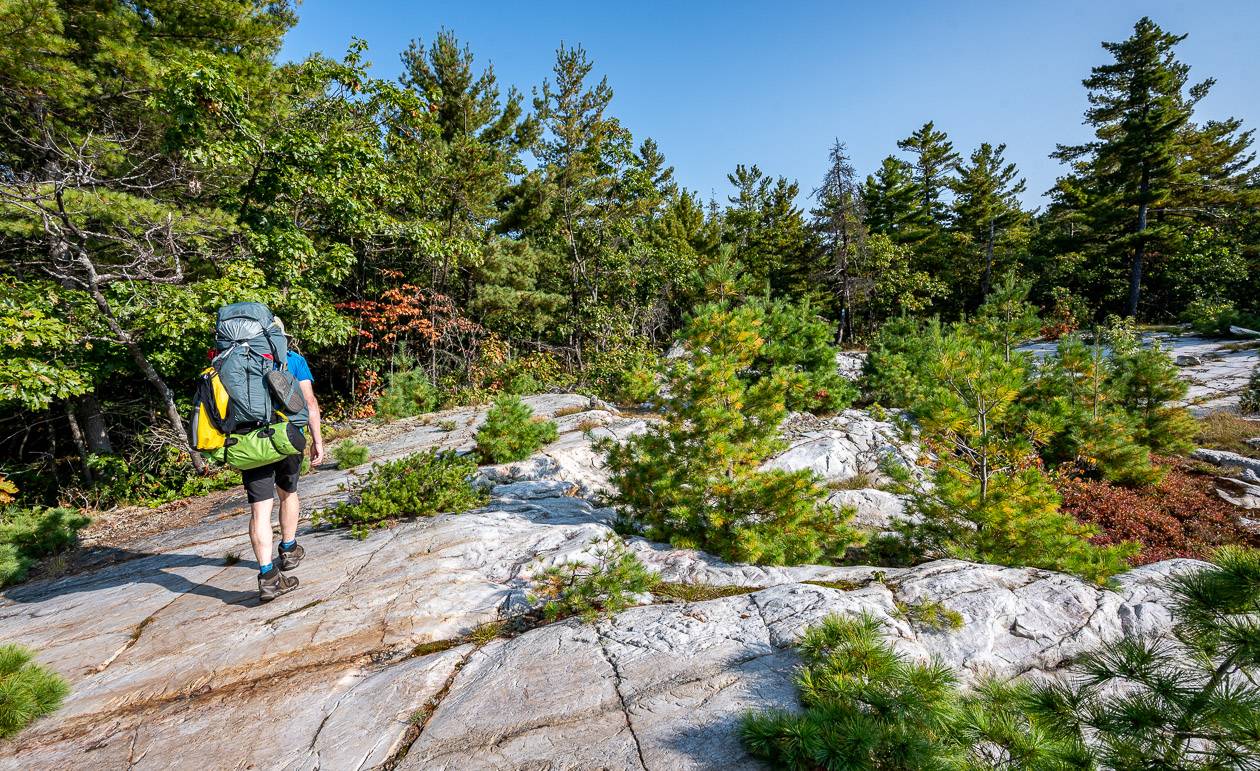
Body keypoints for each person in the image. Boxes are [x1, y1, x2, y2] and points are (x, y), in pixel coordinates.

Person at [243, 317, 325, 601]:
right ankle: (288, 550)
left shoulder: (239, 365)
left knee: (259, 510)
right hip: (288, 437)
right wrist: (317, 440)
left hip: (251, 443)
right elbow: (309, 402)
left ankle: (267, 577)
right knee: (288, 493)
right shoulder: (293, 359)